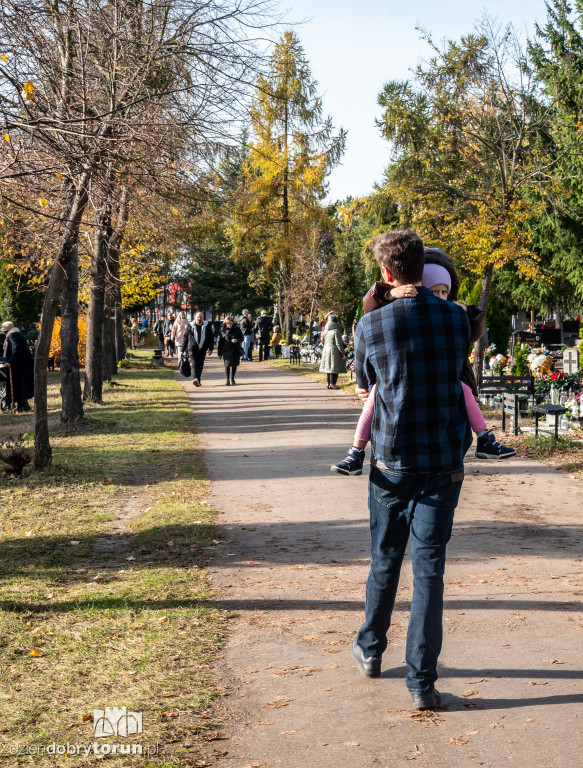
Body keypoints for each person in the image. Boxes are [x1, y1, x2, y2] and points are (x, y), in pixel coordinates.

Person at [350, 229, 472, 710]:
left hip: (391, 460)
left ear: (385, 273)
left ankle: (371, 648)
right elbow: (461, 373)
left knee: (384, 560)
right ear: (423, 270)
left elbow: (364, 383)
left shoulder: (371, 326)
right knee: (430, 572)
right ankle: (422, 682)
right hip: (443, 460)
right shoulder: (456, 320)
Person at [331, 261, 515, 476]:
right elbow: (371, 302)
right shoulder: (397, 308)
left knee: (464, 389)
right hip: (401, 373)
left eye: (443, 292)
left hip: (440, 377)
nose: (438, 296)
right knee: (374, 398)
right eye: (432, 291)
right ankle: (356, 452)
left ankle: (485, 438)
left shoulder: (453, 313)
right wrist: (391, 294)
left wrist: (461, 308)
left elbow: (475, 321)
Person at [1, 321, 34, 412]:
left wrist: (10, 361)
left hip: (22, 363)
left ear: (7, 331)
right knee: (22, 383)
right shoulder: (17, 334)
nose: (4, 333)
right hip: (24, 362)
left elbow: (16, 348)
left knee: (20, 383)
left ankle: (22, 405)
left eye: (4, 331)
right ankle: (23, 405)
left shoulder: (12, 336)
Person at [181, 311, 214, 387]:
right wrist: (182, 350)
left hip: (203, 348)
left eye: (201, 317)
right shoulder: (190, 326)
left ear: (203, 318)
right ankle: (195, 378)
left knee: (200, 364)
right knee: (195, 363)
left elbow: (210, 338)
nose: (199, 318)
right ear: (195, 318)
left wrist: (210, 348)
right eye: (198, 317)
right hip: (192, 348)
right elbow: (185, 338)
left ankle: (198, 379)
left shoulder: (207, 326)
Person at [319, 313, 346, 389]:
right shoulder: (336, 331)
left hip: (326, 350)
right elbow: (339, 343)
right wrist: (343, 353)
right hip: (334, 351)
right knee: (334, 368)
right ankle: (332, 383)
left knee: (329, 367)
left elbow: (323, 341)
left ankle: (328, 383)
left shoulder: (326, 331)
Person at [218, 315, 243, 385]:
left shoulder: (237, 329)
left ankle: (232, 378)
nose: (229, 324)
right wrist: (219, 353)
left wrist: (237, 340)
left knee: (234, 364)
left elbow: (242, 338)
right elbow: (220, 342)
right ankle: (227, 380)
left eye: (230, 323)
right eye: (227, 323)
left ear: (232, 322)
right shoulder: (223, 330)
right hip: (226, 349)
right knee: (227, 364)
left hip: (235, 348)